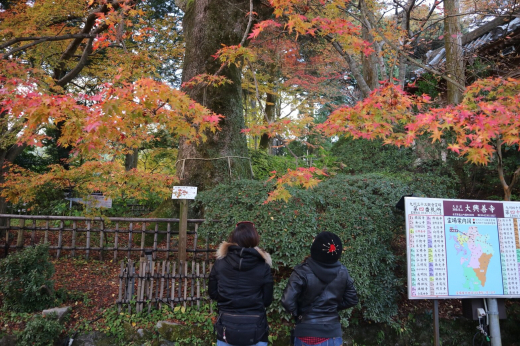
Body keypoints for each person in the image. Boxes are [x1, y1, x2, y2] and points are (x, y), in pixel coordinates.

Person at [281, 231, 358, 346]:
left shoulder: (301, 271)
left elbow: (287, 301)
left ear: (315, 249)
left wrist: (300, 314)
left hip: (305, 332)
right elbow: (352, 299)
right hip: (332, 334)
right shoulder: (343, 272)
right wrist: (331, 308)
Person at [209, 221, 274, 346]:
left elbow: (213, 293)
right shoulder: (263, 266)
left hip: (226, 328)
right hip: (256, 328)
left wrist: (226, 300)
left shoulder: (220, 263)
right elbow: (267, 300)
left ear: (233, 238)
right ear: (254, 238)